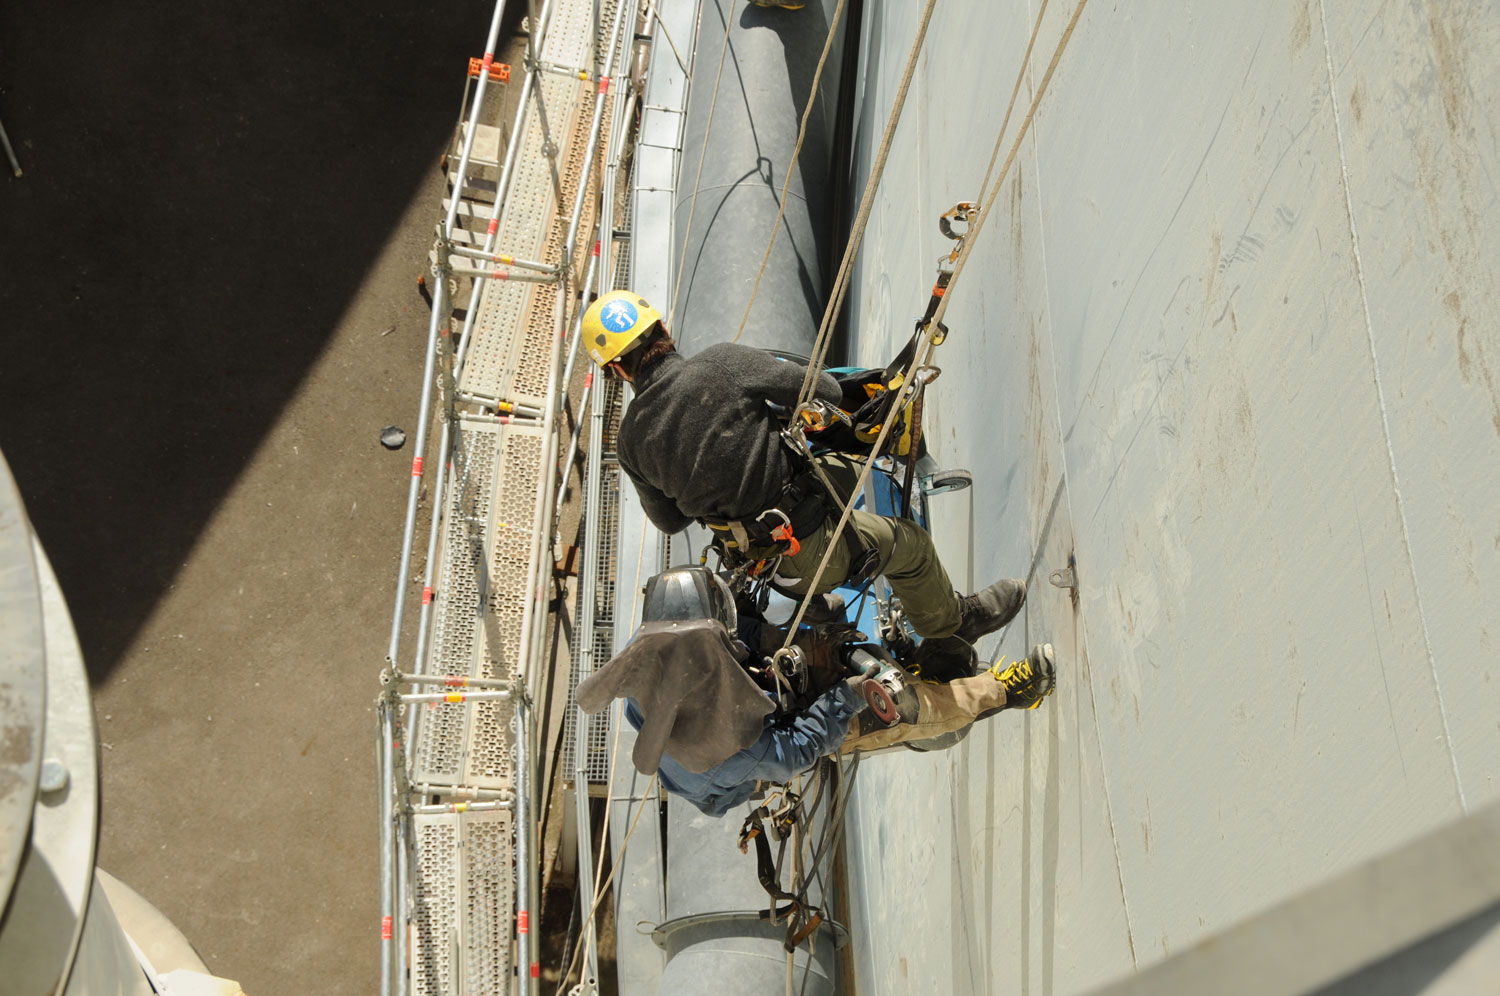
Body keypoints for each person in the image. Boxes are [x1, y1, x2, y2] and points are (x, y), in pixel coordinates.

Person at [580, 288, 1027, 648]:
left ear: (618, 369)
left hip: (759, 559)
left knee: (840, 475)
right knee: (910, 547)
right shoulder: (722, 363)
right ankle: (952, 624)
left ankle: (816, 604)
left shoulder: (631, 443)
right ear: (663, 328)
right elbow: (828, 390)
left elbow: (672, 522)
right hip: (806, 546)